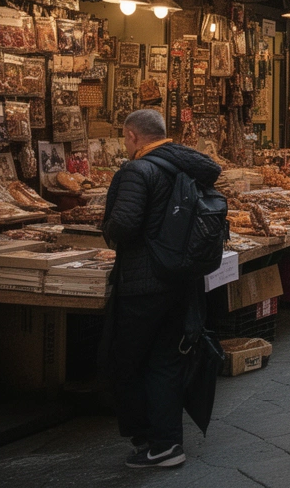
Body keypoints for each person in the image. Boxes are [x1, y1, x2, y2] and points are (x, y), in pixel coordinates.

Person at [103, 109, 221, 468]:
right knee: (166, 360)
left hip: (144, 285)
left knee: (129, 361)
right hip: (181, 281)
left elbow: (124, 225)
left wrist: (107, 227)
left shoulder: (138, 170)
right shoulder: (186, 165)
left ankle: (148, 437)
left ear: (132, 136)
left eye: (125, 138)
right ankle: (167, 444)